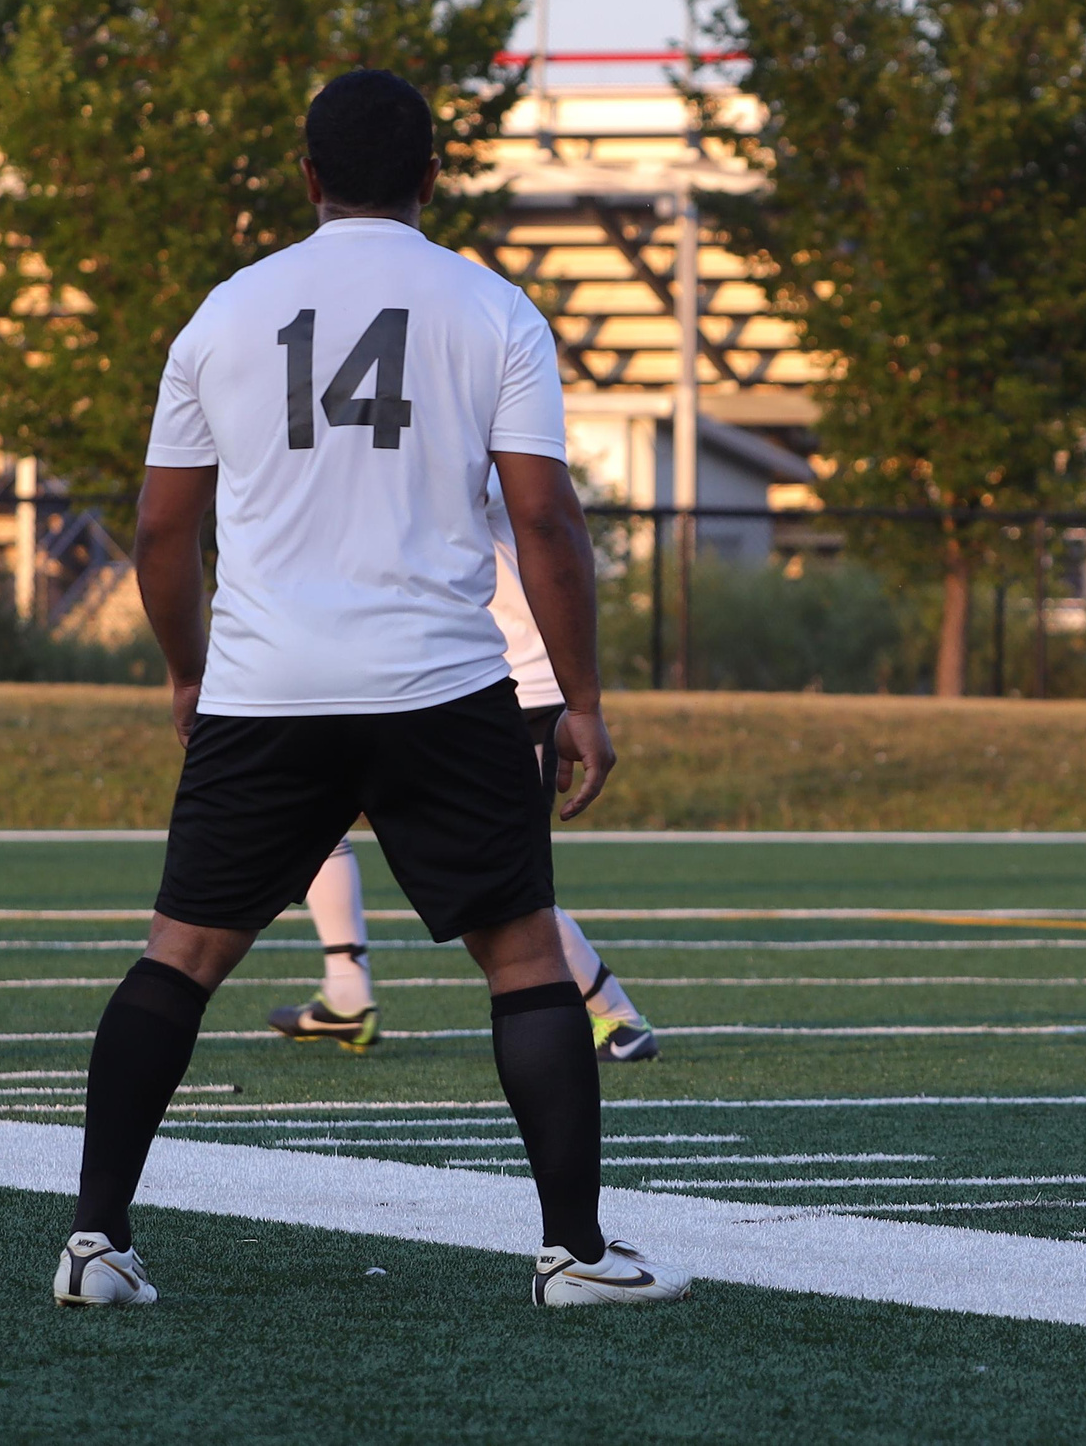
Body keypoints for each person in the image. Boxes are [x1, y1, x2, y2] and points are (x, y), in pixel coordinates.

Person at [54, 69, 685, 1311]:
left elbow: (163, 532)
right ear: (433, 177)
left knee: (179, 956)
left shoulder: (224, 312)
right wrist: (580, 695)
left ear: (307, 176)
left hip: (266, 685)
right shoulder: (492, 308)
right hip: (440, 683)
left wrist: (189, 668)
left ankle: (94, 1244)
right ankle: (575, 1254)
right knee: (523, 957)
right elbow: (545, 520)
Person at [269, 469, 658, 1063]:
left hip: (508, 685)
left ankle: (619, 1019)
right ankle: (347, 991)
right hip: (439, 680)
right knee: (311, 815)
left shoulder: (475, 447)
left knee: (504, 882)